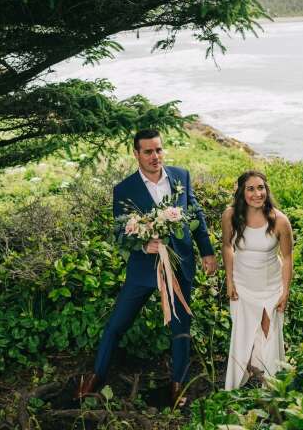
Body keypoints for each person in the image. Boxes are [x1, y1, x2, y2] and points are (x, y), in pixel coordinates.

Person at [76, 129, 218, 405]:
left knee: (181, 327)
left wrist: (207, 251)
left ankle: (179, 385)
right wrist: (143, 245)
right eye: (149, 152)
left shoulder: (181, 176)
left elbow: (196, 215)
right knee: (117, 324)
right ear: (136, 154)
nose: (156, 157)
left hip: (179, 265)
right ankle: (95, 377)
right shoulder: (124, 189)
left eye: (159, 150)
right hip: (143, 271)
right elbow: (120, 234)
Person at [222, 170, 293, 390]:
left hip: (270, 284)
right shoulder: (231, 215)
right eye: (250, 189)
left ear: (267, 190)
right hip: (243, 283)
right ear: (242, 192)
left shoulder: (280, 221)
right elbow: (227, 246)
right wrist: (229, 281)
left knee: (267, 327)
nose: (257, 193)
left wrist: (285, 291)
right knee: (244, 329)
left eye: (260, 187)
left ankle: (269, 381)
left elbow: (288, 257)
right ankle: (243, 374)